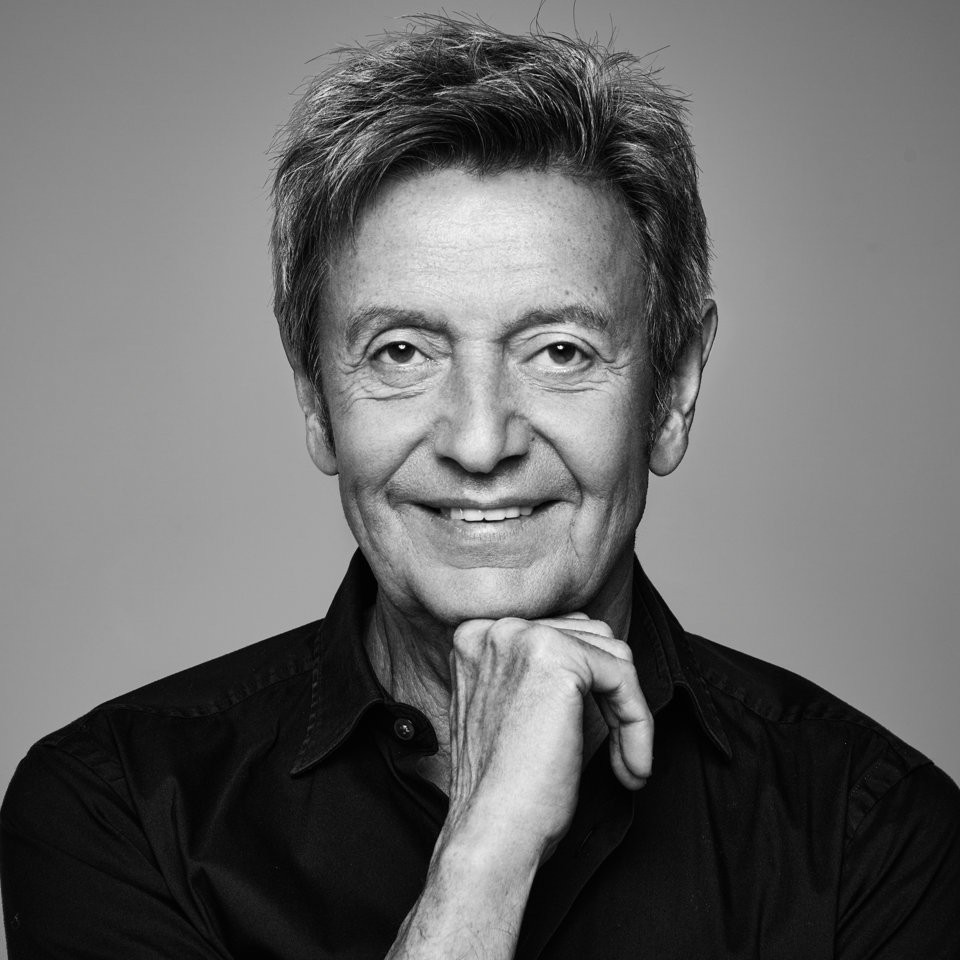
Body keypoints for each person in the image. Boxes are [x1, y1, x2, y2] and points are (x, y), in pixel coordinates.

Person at [2, 15, 958, 960]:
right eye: (402, 351)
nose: (478, 440)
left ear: (672, 392)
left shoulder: (872, 836)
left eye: (559, 351)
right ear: (318, 401)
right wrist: (488, 849)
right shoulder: (121, 810)